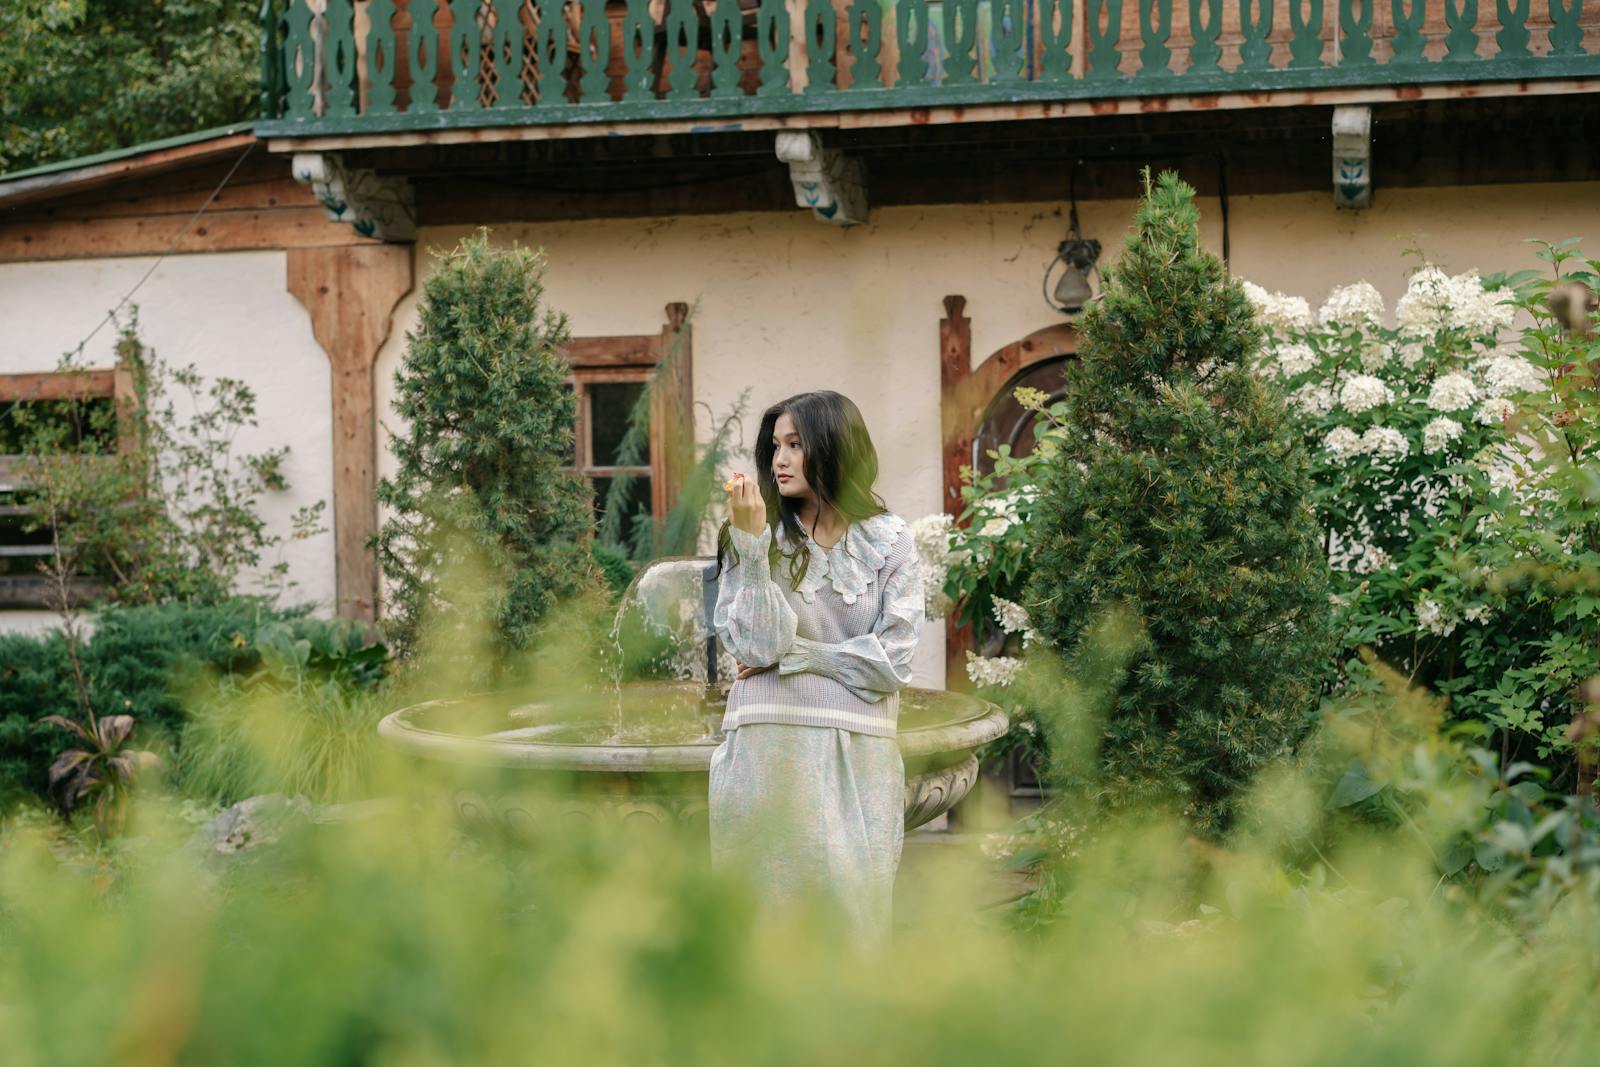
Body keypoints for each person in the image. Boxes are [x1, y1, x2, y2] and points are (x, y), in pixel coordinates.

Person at [708, 389, 925, 947]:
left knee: (852, 926)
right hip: (764, 750)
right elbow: (756, 648)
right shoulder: (756, 534)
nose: (779, 460)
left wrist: (801, 655)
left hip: (859, 753)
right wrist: (753, 548)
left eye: (796, 445)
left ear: (834, 447)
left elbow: (892, 662)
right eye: (775, 446)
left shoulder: (891, 542)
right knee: (760, 928)